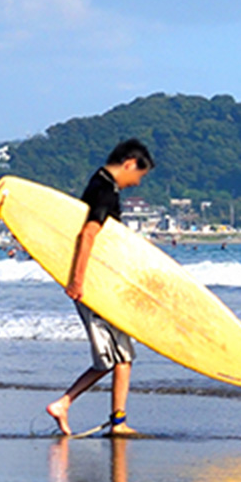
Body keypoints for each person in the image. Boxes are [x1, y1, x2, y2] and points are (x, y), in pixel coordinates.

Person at [46, 139, 155, 437]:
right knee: (115, 357)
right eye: (139, 176)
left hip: (101, 284)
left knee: (119, 357)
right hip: (94, 286)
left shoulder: (100, 183)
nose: (137, 183)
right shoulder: (105, 189)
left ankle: (102, 416)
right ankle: (79, 409)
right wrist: (78, 281)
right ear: (130, 163)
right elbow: (88, 234)